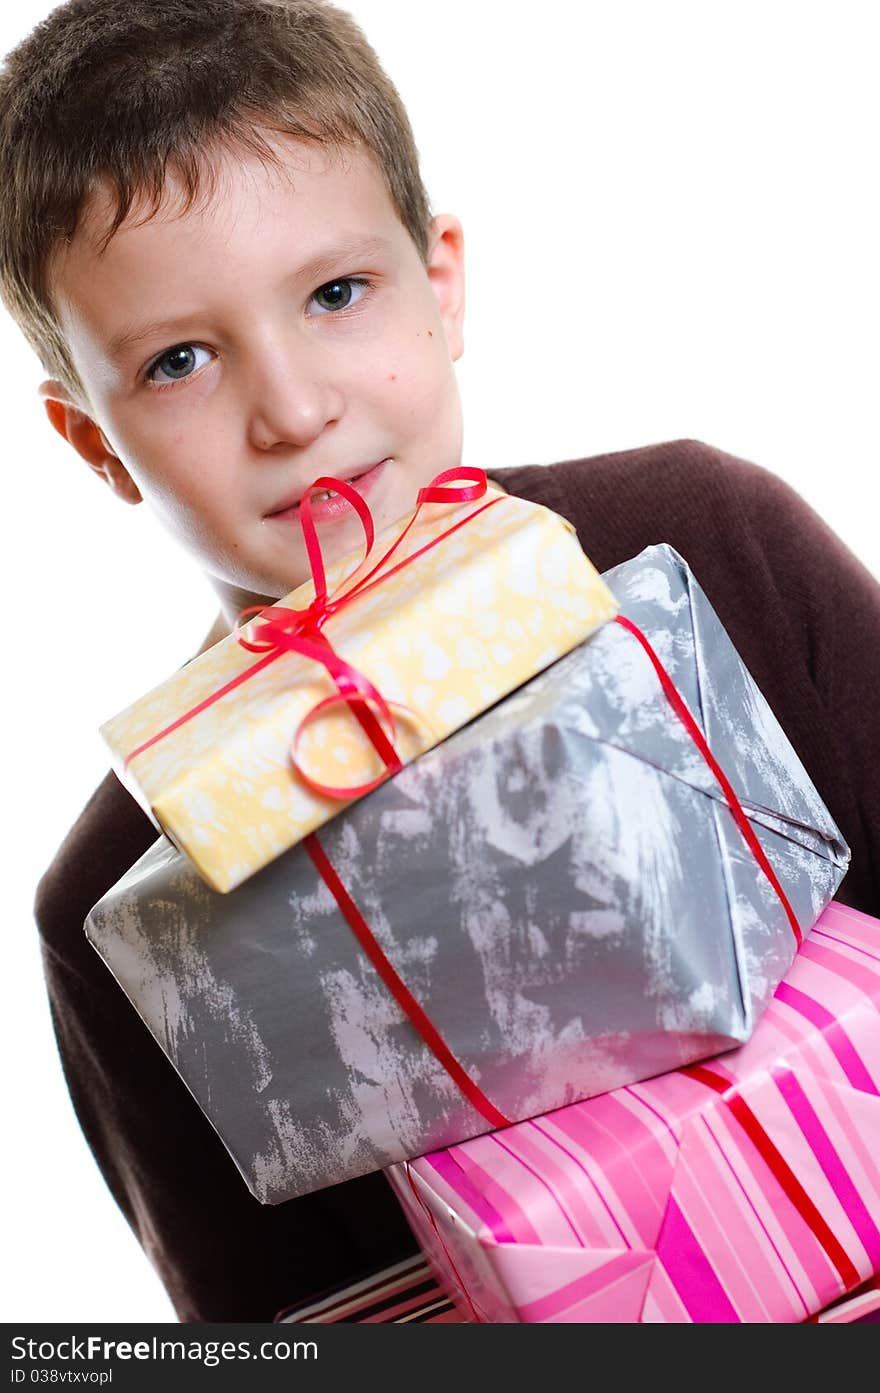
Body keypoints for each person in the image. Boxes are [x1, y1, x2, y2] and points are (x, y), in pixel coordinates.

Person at [1, 0, 878, 1324]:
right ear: (91, 441)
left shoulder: (708, 542)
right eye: (179, 360)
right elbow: (275, 1328)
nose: (294, 411)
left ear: (443, 279)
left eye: (337, 294)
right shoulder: (122, 897)